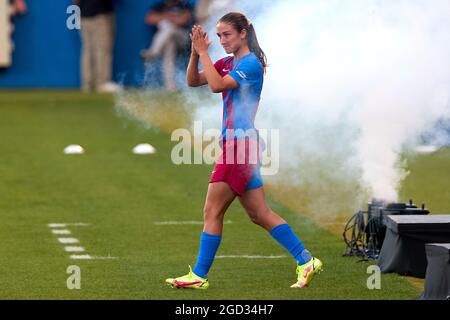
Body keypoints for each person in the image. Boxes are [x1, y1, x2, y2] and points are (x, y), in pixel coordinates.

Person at [165, 12, 323, 289]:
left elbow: (216, 86)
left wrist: (204, 52)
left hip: (240, 148)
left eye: (226, 35)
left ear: (242, 34)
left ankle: (199, 276)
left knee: (211, 211)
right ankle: (306, 260)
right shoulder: (229, 62)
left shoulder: (250, 65)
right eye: (218, 36)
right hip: (240, 145)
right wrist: (194, 54)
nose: (222, 41)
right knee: (259, 213)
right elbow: (193, 82)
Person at [140, 0, 193, 92]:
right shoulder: (159, 5)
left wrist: (164, 18)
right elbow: (150, 19)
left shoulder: (184, 5)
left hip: (182, 38)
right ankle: (170, 87)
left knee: (170, 29)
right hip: (168, 40)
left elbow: (183, 20)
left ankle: (153, 52)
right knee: (169, 46)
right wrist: (172, 18)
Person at [73, 0, 121, 93]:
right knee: (102, 49)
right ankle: (102, 83)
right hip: (99, 14)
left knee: (88, 50)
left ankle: (87, 84)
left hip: (84, 15)